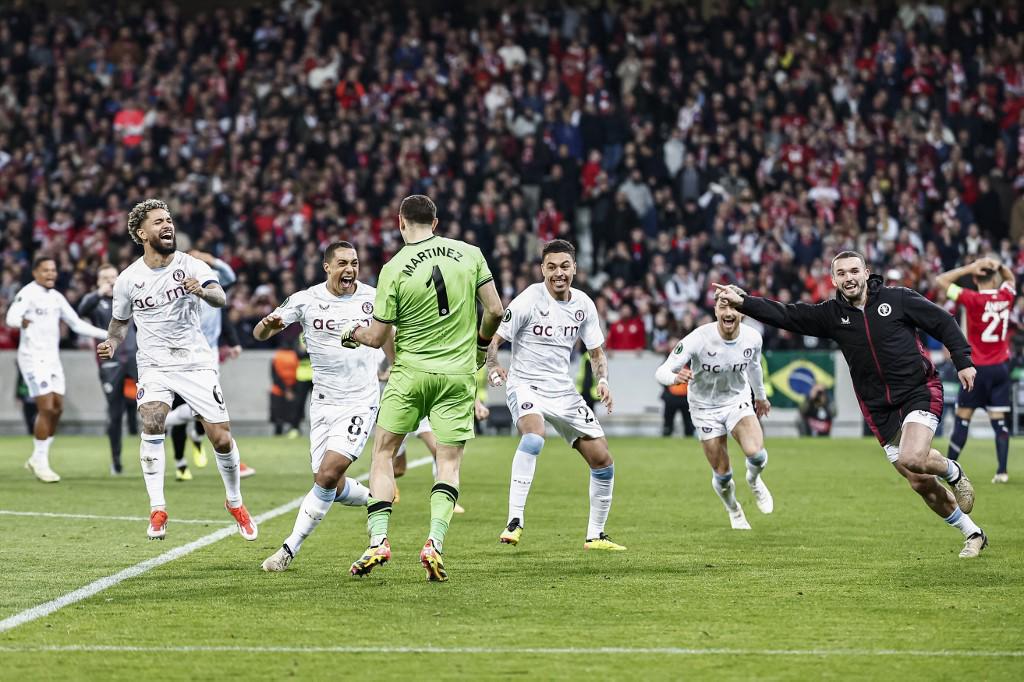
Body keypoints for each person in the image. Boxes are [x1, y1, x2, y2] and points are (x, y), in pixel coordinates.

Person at [713, 250, 987, 558]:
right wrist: (744, 302)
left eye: (854, 271)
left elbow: (942, 322)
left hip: (918, 390)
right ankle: (973, 533)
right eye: (841, 273)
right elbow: (787, 315)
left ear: (867, 272)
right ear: (833, 280)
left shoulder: (898, 299)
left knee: (913, 455)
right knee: (919, 481)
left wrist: (963, 360)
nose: (849, 278)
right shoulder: (831, 315)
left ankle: (954, 472)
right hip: (878, 407)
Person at [341, 194, 504, 582]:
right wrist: (481, 347)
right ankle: (435, 542)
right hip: (456, 375)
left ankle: (378, 540)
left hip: (410, 374)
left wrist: (353, 333)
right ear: (436, 222)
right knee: (447, 463)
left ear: (400, 222)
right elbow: (496, 310)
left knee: (382, 453)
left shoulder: (393, 268)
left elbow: (380, 335)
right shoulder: (470, 254)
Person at [97, 198, 257, 542]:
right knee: (152, 420)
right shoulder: (128, 279)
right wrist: (111, 342)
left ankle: (235, 502)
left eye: (169, 220)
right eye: (158, 222)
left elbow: (220, 298)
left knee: (221, 438)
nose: (167, 225)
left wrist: (202, 291)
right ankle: (158, 509)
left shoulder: (191, 265)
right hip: (154, 364)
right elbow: (119, 323)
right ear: (141, 233)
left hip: (195, 362)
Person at [486, 239, 626, 551]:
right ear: (542, 270)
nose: (558, 273)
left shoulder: (584, 305)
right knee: (534, 436)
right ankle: (515, 519)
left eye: (564, 266)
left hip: (562, 391)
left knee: (603, 461)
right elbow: (495, 341)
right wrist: (494, 365)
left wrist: (602, 381)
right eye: (551, 267)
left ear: (574, 268)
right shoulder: (527, 300)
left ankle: (595, 535)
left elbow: (597, 352)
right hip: (525, 384)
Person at [254, 241, 380, 572]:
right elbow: (260, 332)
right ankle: (377, 498)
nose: (350, 270)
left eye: (354, 262)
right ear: (327, 267)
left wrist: (392, 367)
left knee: (326, 476)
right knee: (329, 485)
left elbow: (390, 333)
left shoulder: (373, 298)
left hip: (360, 400)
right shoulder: (305, 300)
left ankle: (287, 550)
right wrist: (267, 325)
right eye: (342, 263)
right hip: (323, 405)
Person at [655, 291, 773, 529]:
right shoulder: (698, 338)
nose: (729, 312)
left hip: (736, 401)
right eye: (723, 307)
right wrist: (674, 377)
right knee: (723, 472)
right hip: (704, 407)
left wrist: (760, 396)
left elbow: (754, 367)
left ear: (743, 311)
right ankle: (734, 510)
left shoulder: (753, 338)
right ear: (716, 311)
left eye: (734, 307)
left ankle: (754, 479)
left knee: (757, 454)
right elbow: (661, 371)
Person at [6, 256, 107, 482]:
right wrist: (20, 322)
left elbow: (76, 324)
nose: (51, 274)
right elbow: (12, 316)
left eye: (53, 270)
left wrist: (107, 334)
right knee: (47, 407)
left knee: (58, 408)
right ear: (35, 273)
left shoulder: (56, 297)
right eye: (45, 270)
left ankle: (36, 458)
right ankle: (41, 462)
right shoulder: (28, 293)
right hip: (32, 358)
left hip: (52, 359)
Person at [163, 251, 255, 479]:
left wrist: (212, 260)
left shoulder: (209, 277)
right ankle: (182, 459)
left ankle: (167, 424)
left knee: (208, 407)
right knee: (200, 407)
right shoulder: (177, 279)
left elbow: (230, 277)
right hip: (182, 353)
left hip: (208, 353)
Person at [935, 257, 1015, 483]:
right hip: (1000, 367)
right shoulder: (1006, 296)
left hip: (977, 368)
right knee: (999, 420)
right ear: (994, 277)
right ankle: (1002, 472)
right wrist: (998, 264)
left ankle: (947, 470)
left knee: (963, 418)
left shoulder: (971, 298)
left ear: (975, 278)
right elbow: (1010, 279)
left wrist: (970, 266)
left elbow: (941, 280)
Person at [79, 263, 139, 475]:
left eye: (113, 277)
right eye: (105, 278)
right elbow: (81, 311)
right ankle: (116, 461)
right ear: (98, 281)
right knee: (114, 413)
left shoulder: (129, 298)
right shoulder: (95, 302)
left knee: (151, 403)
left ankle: (153, 458)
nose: (111, 281)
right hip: (110, 363)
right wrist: (98, 293)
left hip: (135, 359)